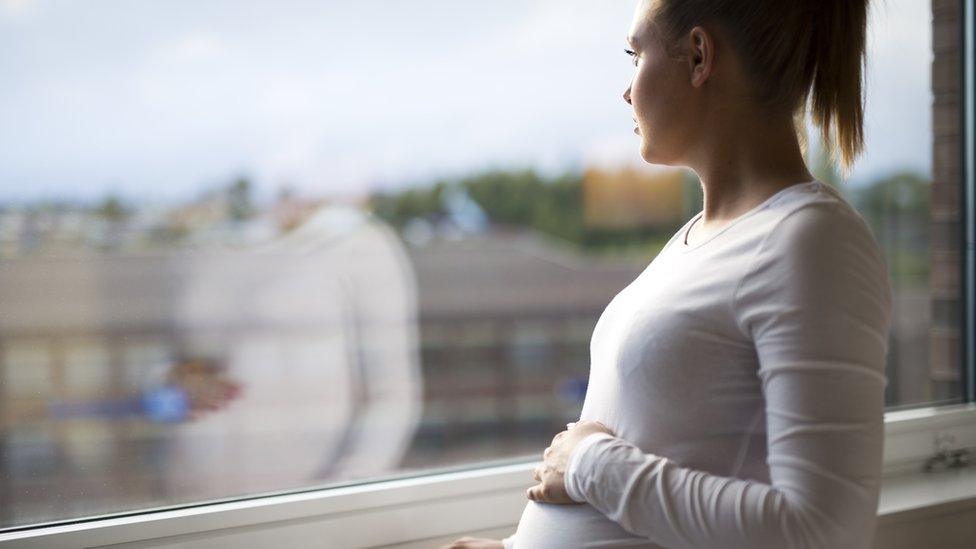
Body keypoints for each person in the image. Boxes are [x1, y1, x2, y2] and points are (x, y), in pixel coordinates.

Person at [444, 0, 890, 547]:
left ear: (699, 57)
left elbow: (823, 531)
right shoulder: (699, 239)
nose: (626, 92)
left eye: (635, 55)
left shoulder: (811, 242)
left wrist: (588, 464)